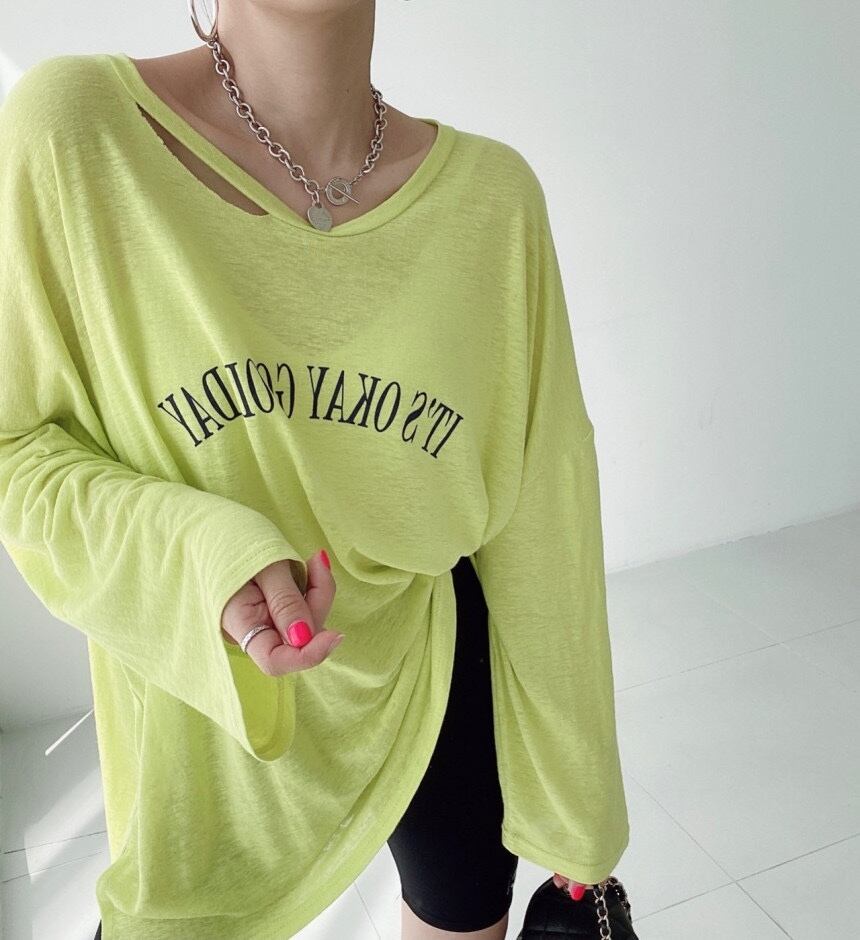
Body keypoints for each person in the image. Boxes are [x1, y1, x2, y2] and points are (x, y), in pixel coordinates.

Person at [0, 1, 630, 937]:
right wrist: (206, 552)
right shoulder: (78, 131)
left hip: (433, 667)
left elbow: (546, 513)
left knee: (462, 903)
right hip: (204, 724)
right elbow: (17, 450)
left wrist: (581, 822)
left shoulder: (494, 200)